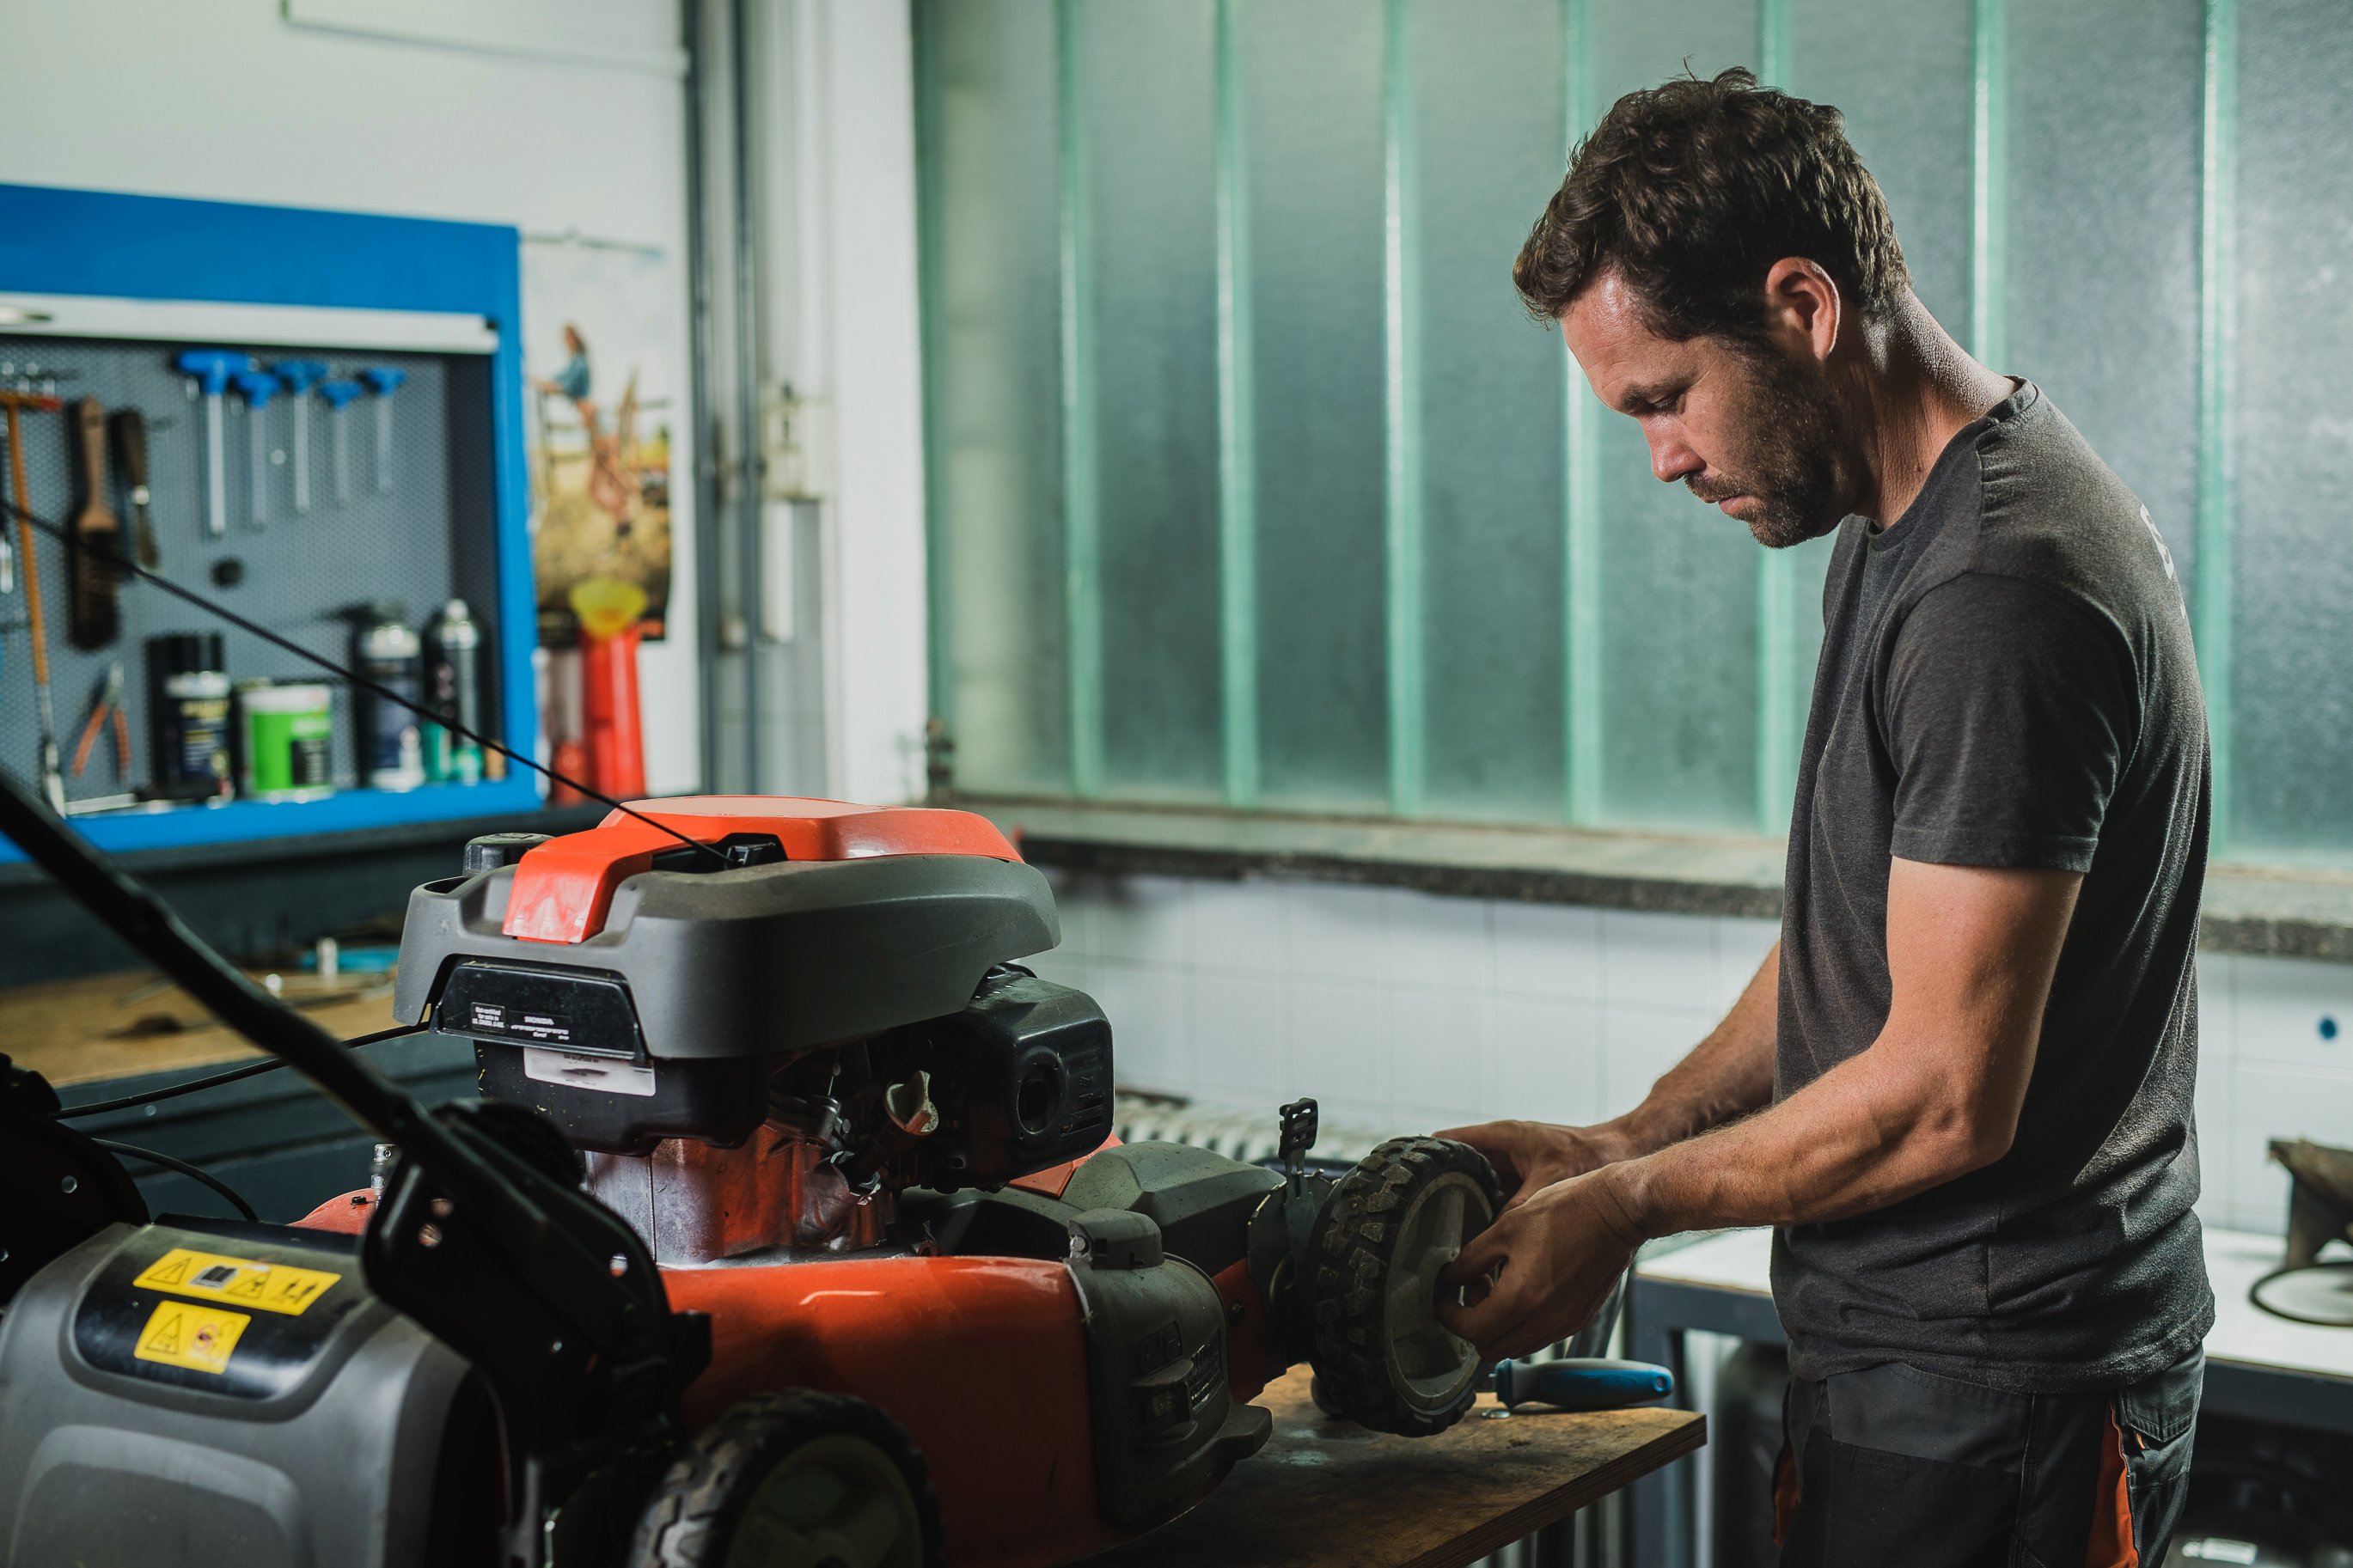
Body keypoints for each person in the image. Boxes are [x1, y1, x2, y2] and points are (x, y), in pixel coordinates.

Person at [1437, 69, 2209, 1567]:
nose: (1660, 456)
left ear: (1802, 306)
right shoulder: (1904, 518)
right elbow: (1851, 954)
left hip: (1999, 1400)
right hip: (1933, 1372)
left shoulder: (1998, 584)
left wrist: (1632, 1205)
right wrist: (1616, 1141)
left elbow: (1938, 1089)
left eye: (1665, 397)